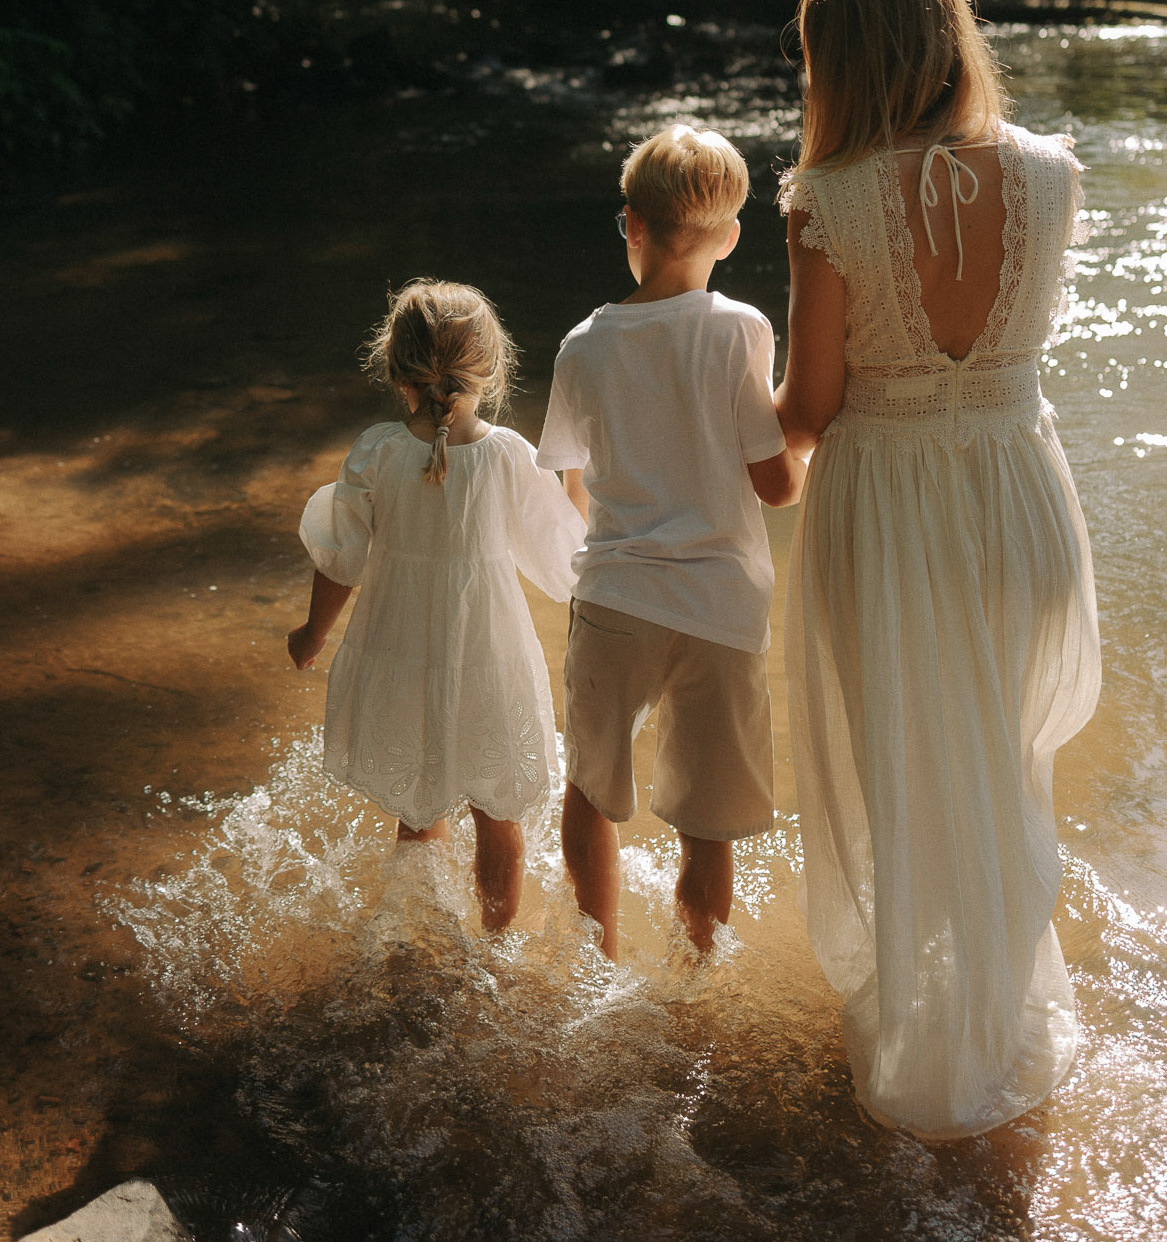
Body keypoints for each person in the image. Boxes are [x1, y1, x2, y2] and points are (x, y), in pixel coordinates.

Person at [774, 0, 1101, 1139]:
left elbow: (806, 413)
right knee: (1004, 768)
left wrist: (724, 402)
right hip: (1020, 496)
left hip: (891, 506)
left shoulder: (827, 201)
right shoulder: (1052, 173)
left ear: (841, 67)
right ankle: (1005, 1019)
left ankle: (928, 1053)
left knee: (901, 774)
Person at [536, 125, 807, 960]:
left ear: (630, 224)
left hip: (616, 597)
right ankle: (693, 982)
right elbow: (773, 484)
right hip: (719, 610)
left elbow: (567, 478)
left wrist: (608, 545)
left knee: (588, 789)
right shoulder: (740, 331)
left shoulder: (582, 345)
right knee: (706, 822)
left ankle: (597, 958)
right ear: (729, 238)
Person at [287, 279, 586, 932]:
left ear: (397, 373)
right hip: (485, 655)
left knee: (417, 808)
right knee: (497, 813)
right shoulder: (509, 456)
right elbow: (568, 565)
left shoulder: (377, 451)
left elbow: (340, 557)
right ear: (492, 370)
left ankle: (417, 946)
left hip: (399, 653)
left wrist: (312, 635)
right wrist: (577, 482)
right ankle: (497, 948)